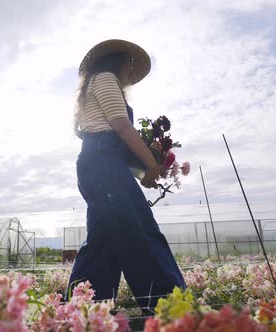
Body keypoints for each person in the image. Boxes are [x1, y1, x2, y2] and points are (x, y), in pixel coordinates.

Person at [67, 39, 186, 309]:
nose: (130, 69)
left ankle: (86, 312)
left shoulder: (93, 84)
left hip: (99, 163)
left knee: (104, 241)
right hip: (102, 163)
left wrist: (142, 170)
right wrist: (152, 164)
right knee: (139, 230)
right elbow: (121, 127)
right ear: (117, 61)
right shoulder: (105, 77)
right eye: (128, 62)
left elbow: (114, 142)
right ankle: (170, 308)